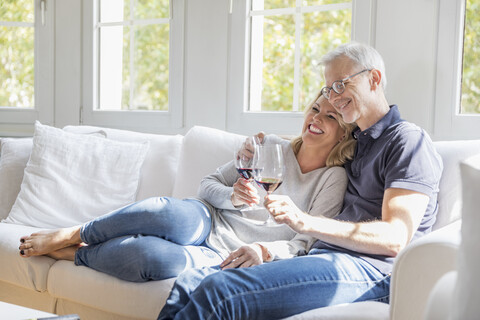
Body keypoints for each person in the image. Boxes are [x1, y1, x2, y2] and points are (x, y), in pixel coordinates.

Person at [157, 42, 443, 320]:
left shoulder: (407, 141)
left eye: (341, 85)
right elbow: (307, 147)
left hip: (371, 270)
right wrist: (257, 148)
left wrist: (304, 220)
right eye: (328, 89)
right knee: (194, 281)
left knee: (220, 291)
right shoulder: (357, 143)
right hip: (320, 256)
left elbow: (395, 238)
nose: (333, 97)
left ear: (374, 79)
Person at [18, 95, 356, 283]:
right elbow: (207, 185)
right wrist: (232, 198)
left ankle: (77, 253)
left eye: (330, 117)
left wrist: (264, 252)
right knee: (166, 215)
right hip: (207, 218)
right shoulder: (271, 147)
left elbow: (306, 240)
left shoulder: (332, 178)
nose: (317, 118)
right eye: (315, 108)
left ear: (343, 134)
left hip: (223, 254)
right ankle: (74, 232)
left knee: (151, 257)